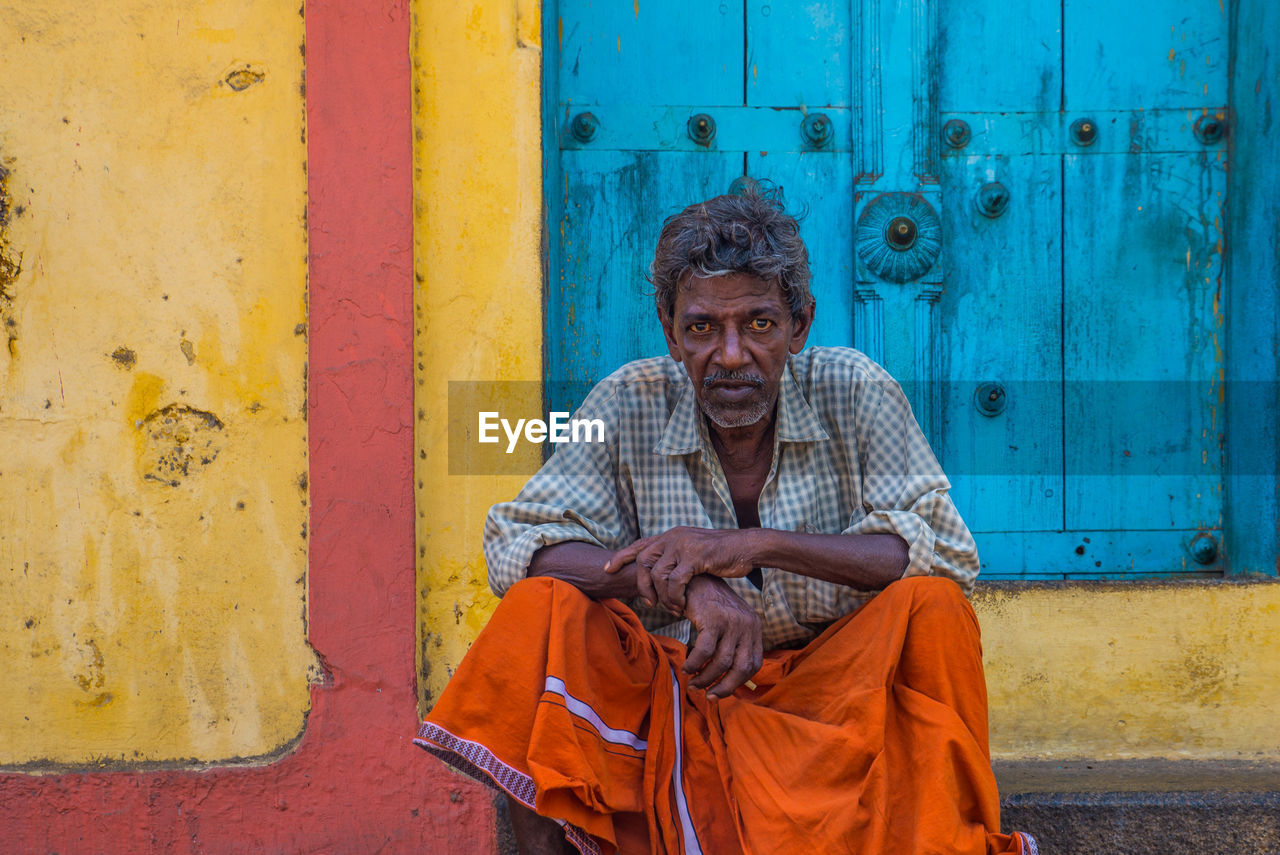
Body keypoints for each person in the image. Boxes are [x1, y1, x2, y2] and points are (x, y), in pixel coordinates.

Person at [415, 188, 1038, 855]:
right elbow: (518, 543)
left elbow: (944, 548)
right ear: (668, 326)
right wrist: (684, 584)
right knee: (542, 608)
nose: (732, 354)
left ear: (800, 324)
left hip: (835, 704)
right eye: (703, 328)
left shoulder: (855, 390)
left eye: (760, 324)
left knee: (935, 609)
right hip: (684, 699)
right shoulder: (629, 399)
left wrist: (750, 546)